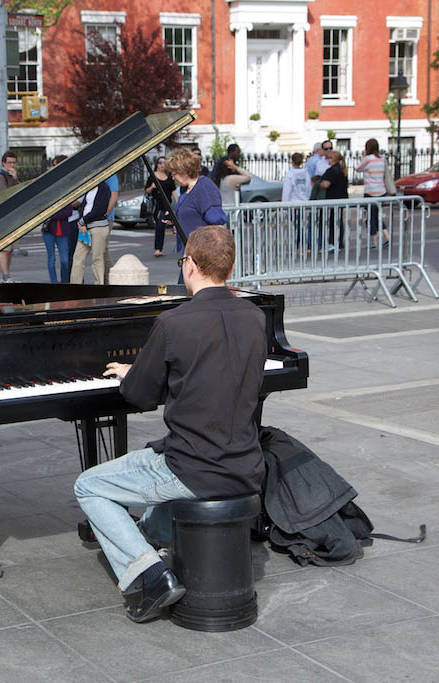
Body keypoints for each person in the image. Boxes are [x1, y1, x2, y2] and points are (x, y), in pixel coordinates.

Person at [74, 226, 267, 623]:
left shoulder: (174, 322)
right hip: (246, 463)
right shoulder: (255, 316)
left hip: (192, 467)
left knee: (88, 485)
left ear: (189, 265)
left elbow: (140, 395)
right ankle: (161, 544)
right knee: (150, 483)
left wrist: (134, 371)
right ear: (229, 268)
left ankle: (149, 576)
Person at [166, 148, 227, 283]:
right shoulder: (185, 189)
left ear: (184, 170)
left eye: (174, 173)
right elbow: (191, 214)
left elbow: (216, 221)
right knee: (184, 291)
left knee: (188, 292)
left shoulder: (204, 187)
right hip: (190, 254)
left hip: (202, 257)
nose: (173, 177)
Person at [69, 178, 112, 285]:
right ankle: (75, 285)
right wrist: (82, 222)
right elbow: (82, 206)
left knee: (97, 258)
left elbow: (99, 210)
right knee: (77, 257)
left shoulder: (104, 188)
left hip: (98, 228)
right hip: (85, 228)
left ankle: (99, 285)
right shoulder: (88, 187)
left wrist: (83, 221)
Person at [42, 156, 75, 283]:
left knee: (64, 260)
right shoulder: (47, 192)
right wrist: (55, 214)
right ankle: (54, 283)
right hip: (48, 230)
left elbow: (68, 211)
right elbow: (44, 211)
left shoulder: (66, 190)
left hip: (63, 229)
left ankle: (64, 282)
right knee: (51, 259)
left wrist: (53, 214)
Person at [356, 139, 391, 248]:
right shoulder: (382, 159)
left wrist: (363, 157)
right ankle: (387, 237)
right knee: (376, 216)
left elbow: (358, 169)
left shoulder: (368, 159)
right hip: (381, 191)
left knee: (371, 218)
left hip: (371, 192)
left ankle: (375, 242)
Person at [0, 150, 21, 282]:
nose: (12, 165)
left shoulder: (12, 176)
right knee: (5, 249)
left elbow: (20, 192)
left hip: (12, 218)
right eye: (9, 162)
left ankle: (7, 275)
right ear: (3, 163)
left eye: (14, 162)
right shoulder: (0, 178)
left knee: (10, 249)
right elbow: (5, 196)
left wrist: (15, 179)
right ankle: (5, 276)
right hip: (3, 219)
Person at [144, 157, 176, 257]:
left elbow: (173, 190)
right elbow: (146, 190)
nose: (162, 165)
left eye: (164, 163)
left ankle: (160, 248)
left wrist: (179, 201)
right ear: (157, 164)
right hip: (157, 205)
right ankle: (157, 249)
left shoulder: (169, 176)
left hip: (167, 205)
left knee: (168, 226)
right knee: (160, 226)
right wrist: (152, 187)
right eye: (160, 162)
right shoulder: (152, 176)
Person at [319, 150, 349, 250]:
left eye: (329, 158)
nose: (328, 160)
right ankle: (339, 242)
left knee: (330, 222)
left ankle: (332, 242)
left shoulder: (332, 171)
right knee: (338, 221)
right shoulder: (342, 170)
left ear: (333, 159)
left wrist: (319, 184)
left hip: (332, 199)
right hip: (341, 198)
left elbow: (325, 184)